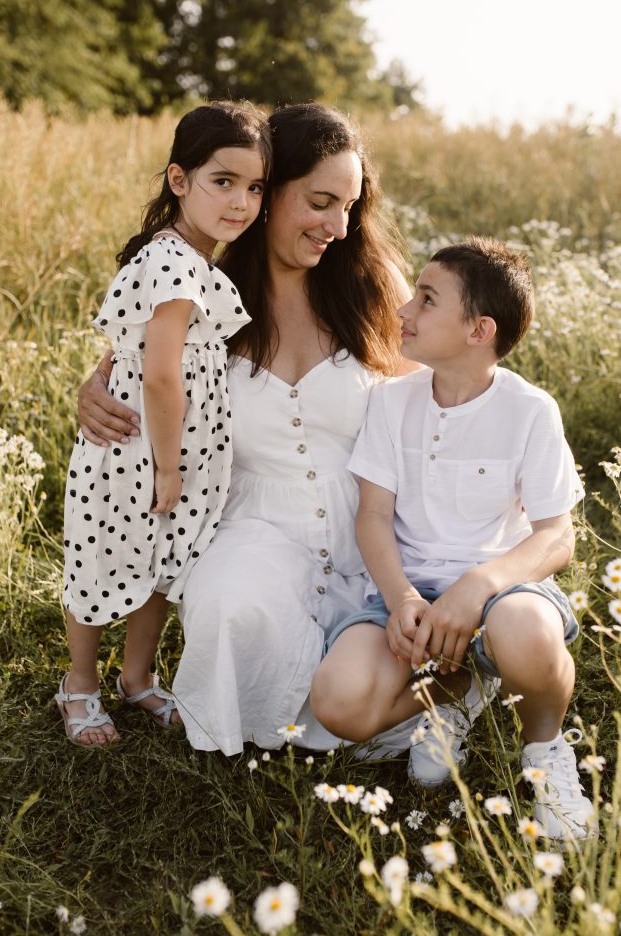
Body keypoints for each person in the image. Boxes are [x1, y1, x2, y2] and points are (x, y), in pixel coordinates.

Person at [77, 102, 415, 755]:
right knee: (228, 604)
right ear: (265, 191)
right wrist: (90, 392)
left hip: (369, 526)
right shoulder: (202, 287)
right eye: (318, 202)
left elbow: (446, 392)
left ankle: (428, 698)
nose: (337, 227)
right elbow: (130, 369)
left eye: (348, 206)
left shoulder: (371, 286)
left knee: (372, 665)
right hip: (254, 520)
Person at [311, 236, 596, 841]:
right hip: (405, 592)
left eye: (427, 299)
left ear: (478, 330)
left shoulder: (530, 410)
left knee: (527, 631)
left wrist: (479, 585)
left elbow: (557, 536)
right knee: (339, 704)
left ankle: (546, 753)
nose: (404, 310)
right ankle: (457, 689)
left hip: (497, 596)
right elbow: (372, 516)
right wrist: (403, 599)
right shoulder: (391, 402)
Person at [56, 102, 271, 746]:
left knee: (162, 561)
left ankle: (137, 676)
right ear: (180, 180)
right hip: (142, 449)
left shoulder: (196, 259)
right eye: (223, 181)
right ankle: (80, 683)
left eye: (255, 187)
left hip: (175, 448)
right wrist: (170, 464)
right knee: (102, 558)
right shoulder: (175, 261)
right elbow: (158, 372)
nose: (240, 202)